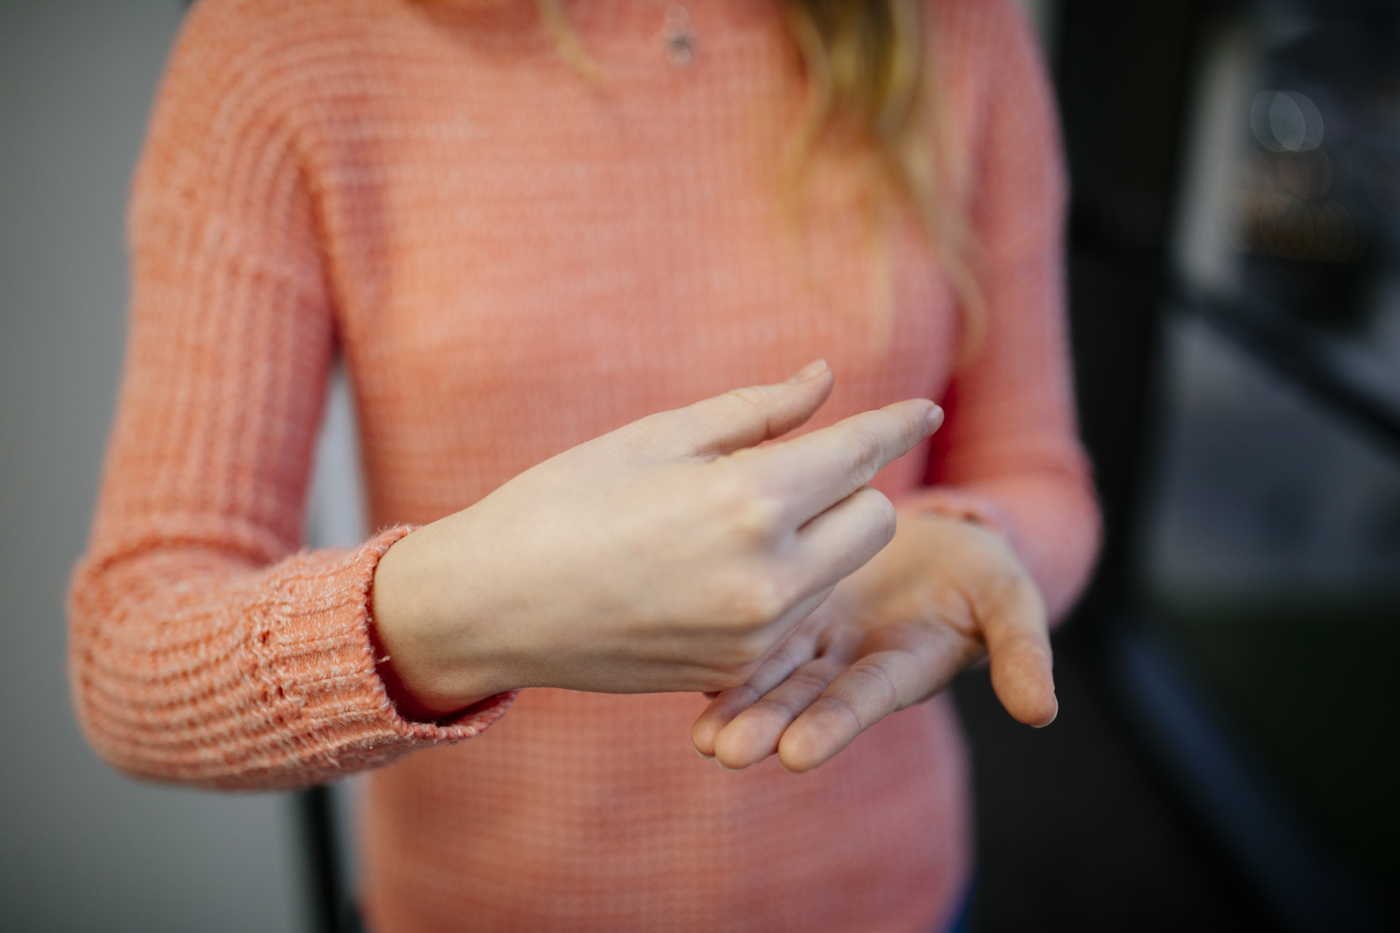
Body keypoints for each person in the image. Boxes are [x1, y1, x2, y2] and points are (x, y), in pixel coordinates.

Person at [68, 0, 1100, 930]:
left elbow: (1036, 470)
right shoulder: (282, 41)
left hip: (885, 890)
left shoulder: (958, 29)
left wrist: (970, 543)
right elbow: (131, 647)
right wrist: (458, 614)